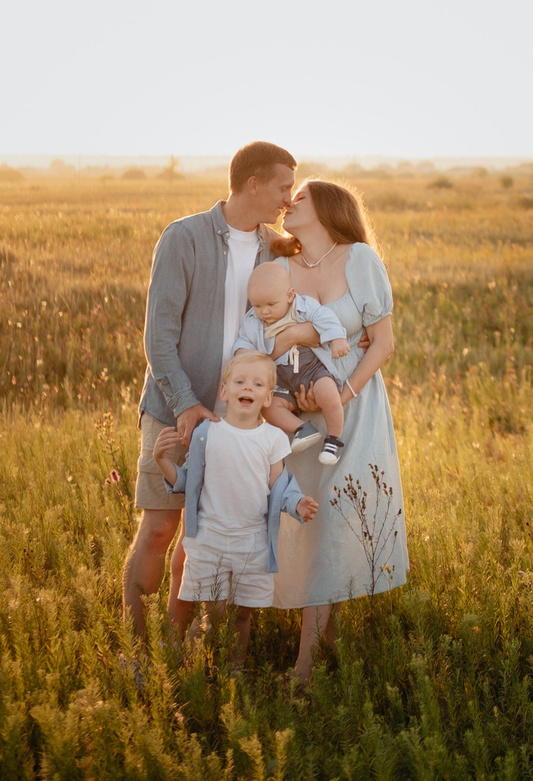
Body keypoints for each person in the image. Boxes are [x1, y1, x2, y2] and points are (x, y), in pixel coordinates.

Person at [122, 140, 298, 632]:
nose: (289, 198)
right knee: (160, 529)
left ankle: (189, 646)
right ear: (253, 183)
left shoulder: (276, 250)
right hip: (174, 406)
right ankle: (138, 652)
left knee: (208, 541)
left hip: (239, 420)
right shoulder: (184, 237)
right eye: (283, 187)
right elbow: (158, 338)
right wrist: (184, 404)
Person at [268, 177, 407, 683]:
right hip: (297, 417)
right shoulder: (279, 267)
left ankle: (304, 669)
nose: (289, 203)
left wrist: (341, 396)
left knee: (338, 521)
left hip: (353, 410)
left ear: (326, 208)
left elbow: (383, 343)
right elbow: (266, 336)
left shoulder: (360, 259)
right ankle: (327, 645)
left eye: (299, 198)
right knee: (311, 524)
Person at [152, 349, 320, 657]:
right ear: (224, 391)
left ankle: (235, 669)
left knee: (242, 614)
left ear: (268, 398)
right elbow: (188, 481)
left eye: (257, 385)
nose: (247, 388)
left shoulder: (272, 439)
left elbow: (279, 485)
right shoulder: (207, 434)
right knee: (214, 612)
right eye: (240, 381)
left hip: (252, 540)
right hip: (210, 538)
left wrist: (297, 504)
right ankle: (210, 667)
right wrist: (161, 459)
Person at [235, 258, 353, 465]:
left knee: (328, 393)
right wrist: (243, 354)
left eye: (271, 304)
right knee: (268, 407)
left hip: (312, 369)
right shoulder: (252, 321)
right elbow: (243, 342)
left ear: (289, 295)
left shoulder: (302, 306)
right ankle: (302, 428)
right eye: (257, 305)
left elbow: (324, 317)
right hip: (280, 379)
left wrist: (337, 339)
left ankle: (334, 440)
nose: (264, 312)